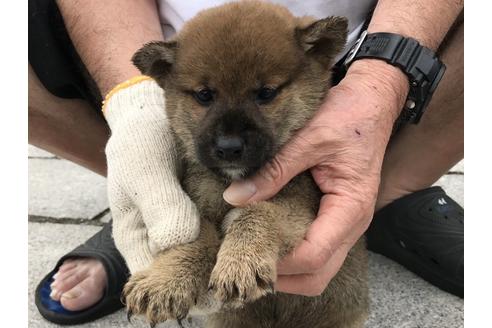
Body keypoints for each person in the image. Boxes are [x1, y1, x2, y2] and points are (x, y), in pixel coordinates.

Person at [29, 0, 464, 324]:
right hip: (156, 38)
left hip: (370, 54)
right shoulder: (171, 68)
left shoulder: (314, 54)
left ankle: (387, 196)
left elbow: (293, 209)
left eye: (265, 94)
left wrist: (380, 78)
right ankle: (146, 203)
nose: (232, 137)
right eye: (205, 97)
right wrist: (130, 103)